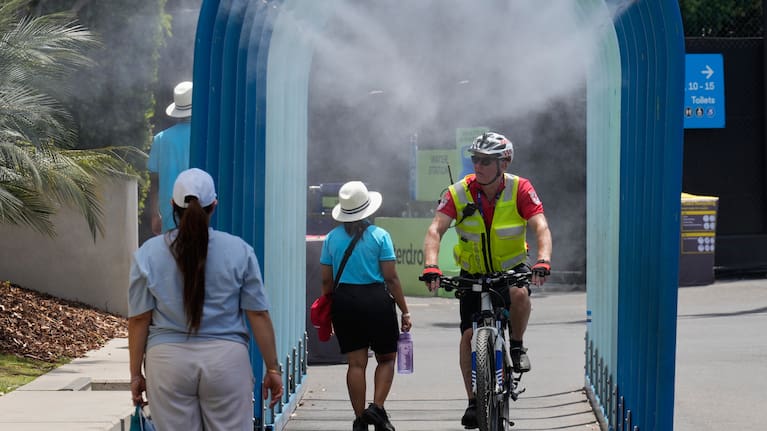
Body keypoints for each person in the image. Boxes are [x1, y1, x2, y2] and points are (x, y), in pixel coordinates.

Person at [128, 168, 283, 431]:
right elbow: (258, 314)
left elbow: (139, 319)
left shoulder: (148, 254)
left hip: (167, 363)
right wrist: (273, 369)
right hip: (226, 361)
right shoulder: (240, 251)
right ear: (214, 205)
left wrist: (135, 374)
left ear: (172, 206)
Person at [420, 132, 552, 429]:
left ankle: (516, 347)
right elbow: (435, 231)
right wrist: (431, 265)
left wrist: (543, 260)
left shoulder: (520, 188)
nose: (477, 166)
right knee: (468, 337)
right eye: (475, 159)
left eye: (485, 161)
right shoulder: (458, 192)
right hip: (473, 273)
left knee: (519, 295)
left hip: (511, 269)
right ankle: (472, 401)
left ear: (503, 163)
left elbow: (540, 226)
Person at [320, 181, 412, 431]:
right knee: (386, 358)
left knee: (356, 364)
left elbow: (327, 281)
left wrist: (329, 305)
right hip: (376, 301)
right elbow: (391, 278)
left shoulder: (331, 238)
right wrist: (404, 310)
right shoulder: (380, 236)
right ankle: (377, 408)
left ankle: (360, 419)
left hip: (345, 302)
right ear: (368, 209)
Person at [149, 81, 193, 235]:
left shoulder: (160, 139)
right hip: (202, 215)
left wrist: (155, 215)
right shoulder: (206, 137)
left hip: (169, 219)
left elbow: (154, 181)